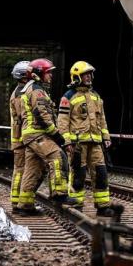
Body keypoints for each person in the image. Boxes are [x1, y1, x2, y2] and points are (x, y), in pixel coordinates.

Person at [16, 58, 76, 214]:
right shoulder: (37, 90)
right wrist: (57, 135)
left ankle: (25, 205)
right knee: (58, 157)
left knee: (33, 170)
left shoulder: (32, 88)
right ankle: (59, 194)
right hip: (38, 134)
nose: (51, 76)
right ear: (38, 74)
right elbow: (41, 115)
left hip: (30, 135)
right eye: (48, 72)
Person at [57, 61, 112, 216]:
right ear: (77, 77)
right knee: (78, 174)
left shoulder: (96, 96)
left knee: (101, 173)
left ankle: (103, 206)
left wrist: (105, 136)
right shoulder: (68, 97)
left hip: (95, 143)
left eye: (89, 74)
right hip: (77, 145)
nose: (88, 77)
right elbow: (62, 122)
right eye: (85, 74)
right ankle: (76, 205)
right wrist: (67, 141)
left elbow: (102, 119)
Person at [8, 60, 30, 210]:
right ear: (24, 76)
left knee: (22, 169)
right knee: (21, 169)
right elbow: (25, 117)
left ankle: (19, 200)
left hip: (21, 138)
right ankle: (17, 201)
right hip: (21, 138)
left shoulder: (20, 91)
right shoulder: (20, 94)